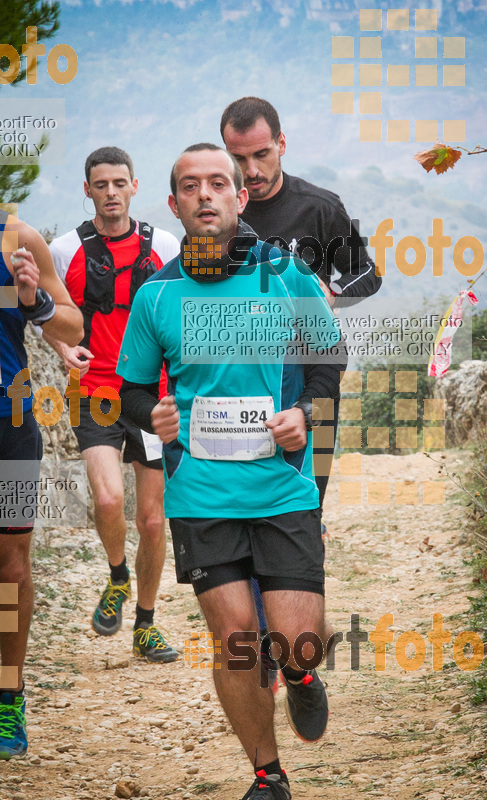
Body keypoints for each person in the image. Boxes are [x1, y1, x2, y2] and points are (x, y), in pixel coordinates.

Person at [117, 143, 346, 800]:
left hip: (280, 489)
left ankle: (301, 674)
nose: (206, 195)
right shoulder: (157, 292)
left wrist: (304, 411)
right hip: (201, 495)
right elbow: (130, 388)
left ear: (240, 197)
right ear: (174, 204)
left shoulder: (284, 274)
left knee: (298, 641)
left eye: (219, 183)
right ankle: (266, 775)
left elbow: (327, 356)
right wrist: (151, 416)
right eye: (191, 186)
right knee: (237, 641)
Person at [46, 146, 180, 663]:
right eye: (100, 185)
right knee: (106, 501)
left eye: (119, 183)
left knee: (152, 520)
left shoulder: (163, 244)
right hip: (95, 394)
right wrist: (63, 350)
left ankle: (146, 624)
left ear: (134, 186)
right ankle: (118, 577)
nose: (110, 193)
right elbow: (47, 314)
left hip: (150, 395)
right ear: (87, 191)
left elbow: (181, 309)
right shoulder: (64, 249)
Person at [220, 96, 382, 510]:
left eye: (262, 154)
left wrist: (331, 293)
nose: (251, 171)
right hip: (239, 374)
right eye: (238, 158)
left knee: (308, 499)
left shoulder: (319, 207)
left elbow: (367, 273)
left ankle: (312, 540)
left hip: (314, 370)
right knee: (243, 503)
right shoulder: (217, 214)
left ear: (282, 144)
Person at [0, 210, 83, 759]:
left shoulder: (15, 239)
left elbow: (72, 328)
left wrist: (35, 303)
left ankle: (8, 697)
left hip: (9, 426)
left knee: (10, 566)